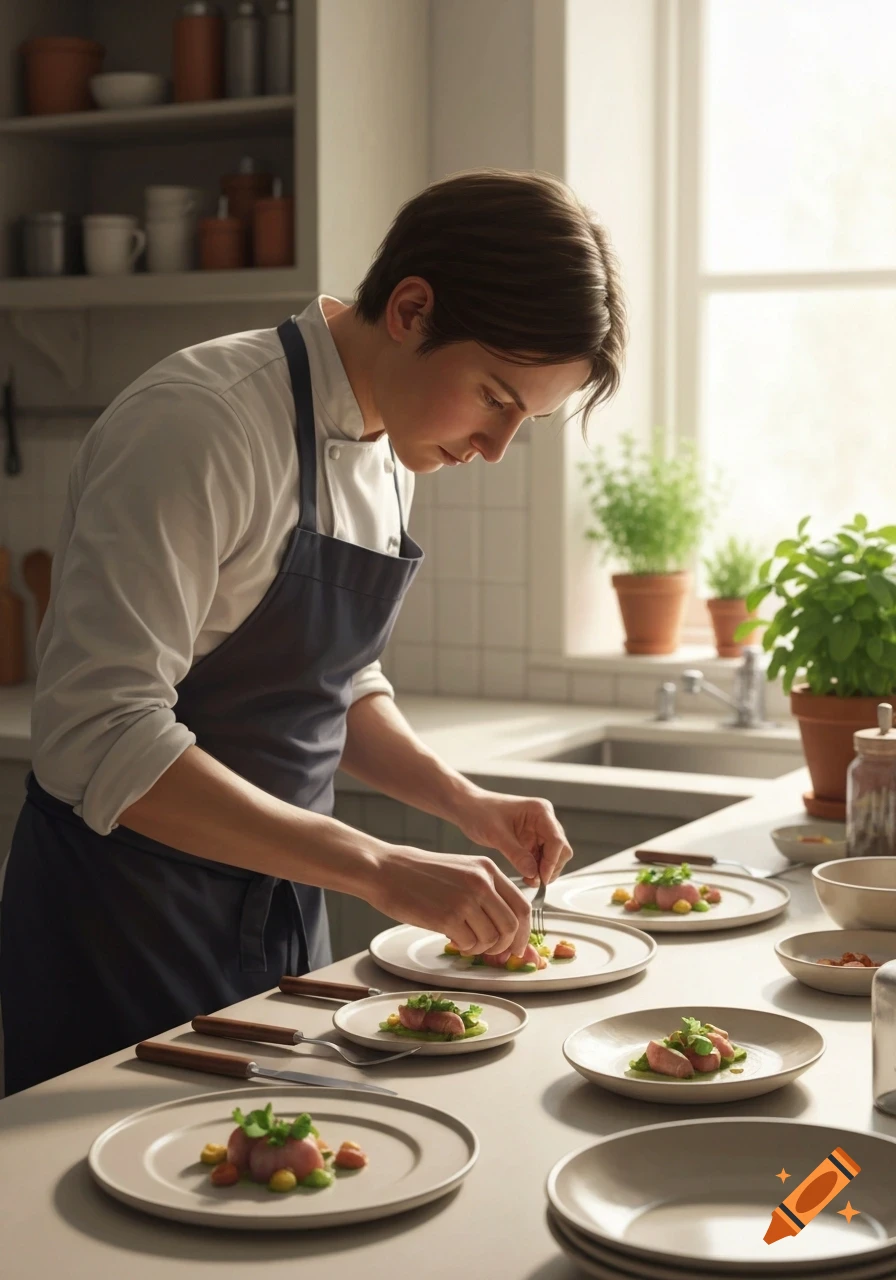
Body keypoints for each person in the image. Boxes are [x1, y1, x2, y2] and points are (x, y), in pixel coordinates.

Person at [0, 169, 627, 1096]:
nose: (494, 449)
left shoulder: (391, 450)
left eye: (522, 421)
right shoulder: (200, 424)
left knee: (275, 1193)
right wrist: (380, 866)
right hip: (124, 926)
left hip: (282, 909)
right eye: (495, 397)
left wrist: (465, 804)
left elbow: (335, 679)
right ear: (412, 309)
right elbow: (98, 736)